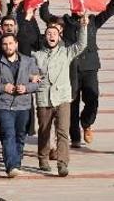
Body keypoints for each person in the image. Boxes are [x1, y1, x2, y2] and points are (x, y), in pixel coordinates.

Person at [39, 0, 114, 148]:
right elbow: (46, 16)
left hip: (90, 68)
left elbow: (109, 10)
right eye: (76, 4)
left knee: (92, 99)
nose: (80, 8)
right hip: (70, 68)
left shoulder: (93, 20)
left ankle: (87, 123)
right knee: (71, 103)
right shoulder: (65, 22)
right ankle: (75, 137)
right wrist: (45, 0)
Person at [33, 16, 88, 177]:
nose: (51, 36)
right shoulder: (37, 56)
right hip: (45, 98)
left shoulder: (66, 52)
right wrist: (32, 77)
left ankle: (62, 163)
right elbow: (29, 70)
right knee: (44, 130)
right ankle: (43, 158)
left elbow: (81, 45)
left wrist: (83, 27)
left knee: (63, 132)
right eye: (48, 33)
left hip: (63, 98)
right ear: (45, 37)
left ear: (59, 37)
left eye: (54, 34)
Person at [0, 33, 40, 178]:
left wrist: (27, 88)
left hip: (23, 105)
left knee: (20, 136)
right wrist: (2, 87)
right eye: (5, 44)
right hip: (4, 105)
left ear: (16, 44)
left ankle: (16, 163)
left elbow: (37, 83)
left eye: (10, 43)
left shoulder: (28, 61)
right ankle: (11, 166)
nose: (8, 46)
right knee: (7, 134)